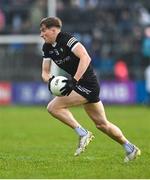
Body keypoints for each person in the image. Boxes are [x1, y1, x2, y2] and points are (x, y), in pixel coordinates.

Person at [40, 17, 141, 162]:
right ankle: (130, 148)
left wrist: (73, 81)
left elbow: (85, 58)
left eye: (44, 31)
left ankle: (83, 133)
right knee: (102, 124)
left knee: (53, 107)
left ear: (54, 29)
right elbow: (44, 72)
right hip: (78, 85)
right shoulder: (47, 47)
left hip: (88, 84)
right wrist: (51, 81)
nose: (41, 34)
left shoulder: (67, 39)